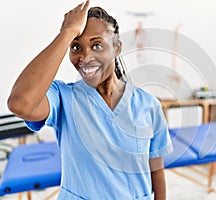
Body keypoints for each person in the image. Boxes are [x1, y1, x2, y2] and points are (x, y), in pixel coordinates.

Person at [7, 1, 173, 199]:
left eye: (97, 45)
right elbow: (20, 103)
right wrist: (67, 32)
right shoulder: (63, 98)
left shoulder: (148, 105)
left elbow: (156, 171)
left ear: (117, 47)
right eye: (76, 47)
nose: (85, 57)